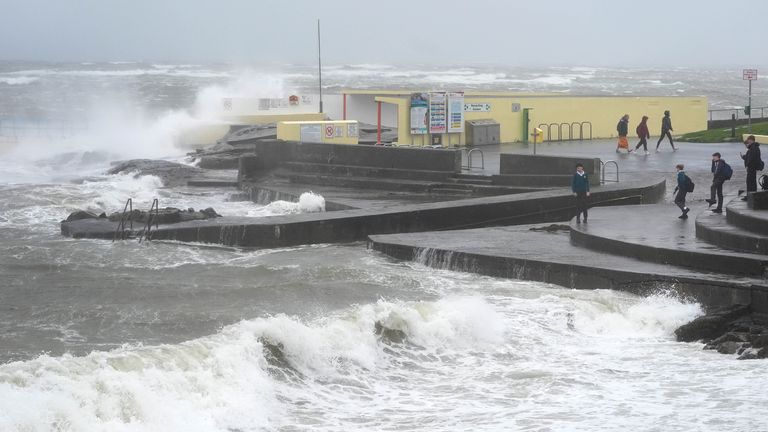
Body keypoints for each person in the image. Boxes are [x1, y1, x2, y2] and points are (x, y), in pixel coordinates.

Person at [740, 135, 763, 200]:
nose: (748, 141)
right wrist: (744, 157)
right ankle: (751, 195)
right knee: (751, 182)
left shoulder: (753, 147)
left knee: (750, 182)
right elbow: (749, 157)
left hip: (751, 168)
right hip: (752, 168)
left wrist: (747, 165)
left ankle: (750, 196)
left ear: (751, 140)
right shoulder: (754, 147)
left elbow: (751, 158)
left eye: (749, 140)